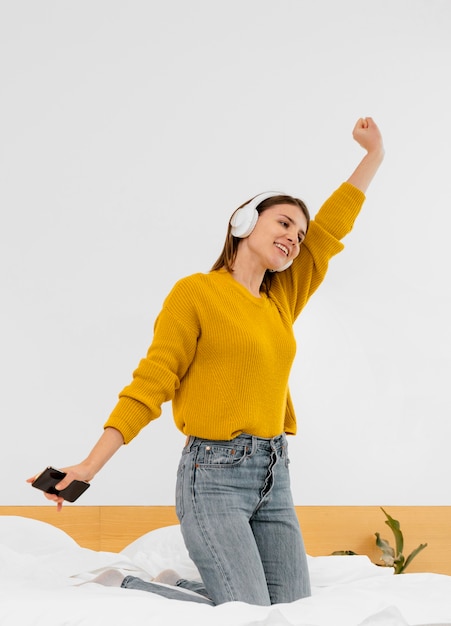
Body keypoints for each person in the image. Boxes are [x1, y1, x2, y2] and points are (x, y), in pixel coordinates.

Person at [28, 117, 384, 606]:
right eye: (283, 223)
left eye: (299, 235)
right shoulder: (196, 293)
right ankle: (127, 586)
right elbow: (153, 381)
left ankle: (181, 586)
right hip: (213, 478)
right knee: (249, 613)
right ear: (244, 222)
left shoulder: (282, 299)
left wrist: (372, 158)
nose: (295, 239)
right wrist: (90, 465)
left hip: (274, 473)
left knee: (296, 612)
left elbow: (331, 230)